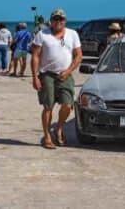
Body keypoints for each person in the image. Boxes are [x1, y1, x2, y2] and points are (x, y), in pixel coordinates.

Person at [30, 9, 82, 149]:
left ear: (65, 21)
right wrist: (35, 77)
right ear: (51, 21)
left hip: (66, 74)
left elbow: (78, 55)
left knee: (67, 105)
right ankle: (47, 136)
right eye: (56, 19)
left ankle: (59, 127)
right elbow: (35, 56)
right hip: (47, 75)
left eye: (61, 19)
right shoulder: (42, 34)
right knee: (48, 107)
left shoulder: (73, 34)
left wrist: (68, 71)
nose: (59, 22)